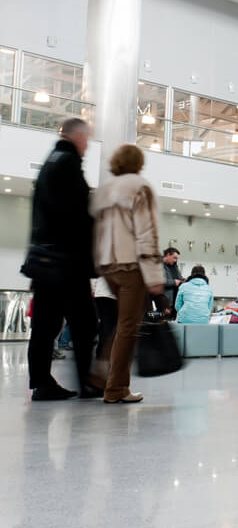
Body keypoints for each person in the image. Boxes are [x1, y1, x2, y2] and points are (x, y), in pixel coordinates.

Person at [24, 118, 98, 401]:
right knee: (85, 323)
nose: (88, 145)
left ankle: (41, 382)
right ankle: (85, 382)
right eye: (87, 139)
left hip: (44, 259)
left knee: (44, 324)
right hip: (66, 262)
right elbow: (75, 215)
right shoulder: (68, 164)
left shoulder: (50, 162)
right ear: (77, 137)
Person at [91, 143, 164, 404]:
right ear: (139, 162)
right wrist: (155, 275)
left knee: (123, 324)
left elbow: (96, 232)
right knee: (128, 326)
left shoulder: (104, 190)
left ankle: (103, 375)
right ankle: (115, 388)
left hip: (108, 267)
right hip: (131, 266)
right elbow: (146, 232)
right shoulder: (139, 187)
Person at [160, 247, 183, 317]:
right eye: (174, 258)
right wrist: (173, 282)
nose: (175, 260)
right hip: (165, 302)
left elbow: (179, 277)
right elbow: (158, 282)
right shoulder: (158, 265)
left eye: (176, 258)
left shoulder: (175, 266)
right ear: (167, 255)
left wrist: (183, 280)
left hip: (175, 302)